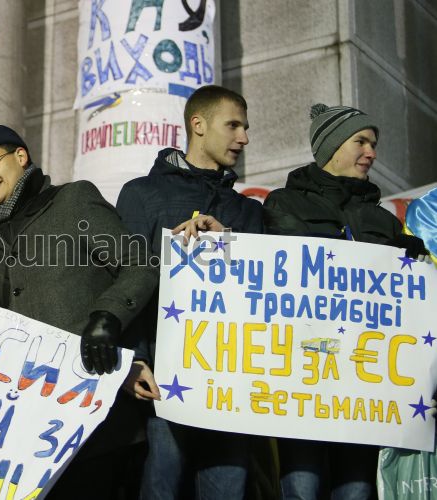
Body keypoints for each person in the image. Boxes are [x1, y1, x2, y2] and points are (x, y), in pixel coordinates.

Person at [0, 124, 158, 498]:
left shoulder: (73, 200)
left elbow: (139, 264)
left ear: (21, 156)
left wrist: (108, 316)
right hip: (31, 429)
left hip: (96, 418)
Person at [263, 103, 429, 499]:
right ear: (331, 146)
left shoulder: (385, 221)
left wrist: (413, 260)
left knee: (356, 491)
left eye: (374, 144)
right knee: (302, 488)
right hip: (303, 377)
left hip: (364, 383)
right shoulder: (284, 204)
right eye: (361, 141)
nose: (371, 152)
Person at [115, 85, 265, 499]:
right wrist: (133, 359)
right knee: (160, 489)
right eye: (233, 125)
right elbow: (124, 282)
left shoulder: (248, 211)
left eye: (246, 128)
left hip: (232, 382)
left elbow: (264, 290)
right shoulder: (142, 195)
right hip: (164, 380)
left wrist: (228, 240)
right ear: (198, 125)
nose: (244, 138)